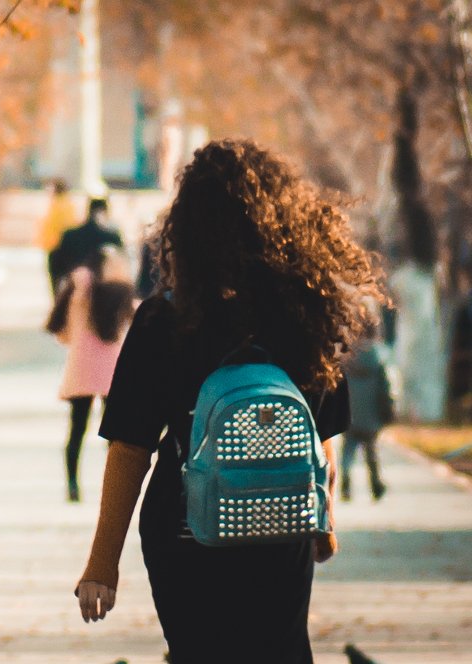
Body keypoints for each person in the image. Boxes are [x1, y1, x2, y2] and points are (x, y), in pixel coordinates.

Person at [75, 140, 385, 663]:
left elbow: (130, 449)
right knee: (281, 651)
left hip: (184, 529)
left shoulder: (163, 319)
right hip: (279, 525)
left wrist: (102, 565)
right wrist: (322, 522)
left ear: (187, 225)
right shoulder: (306, 314)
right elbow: (320, 436)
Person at [46, 247, 136, 502]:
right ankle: (115, 486)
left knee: (76, 429)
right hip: (113, 371)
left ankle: (73, 485)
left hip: (81, 367)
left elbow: (61, 331)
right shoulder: (122, 294)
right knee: (115, 434)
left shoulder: (77, 291)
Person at [341, 327, 392, 501]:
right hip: (371, 414)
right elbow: (385, 388)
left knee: (348, 450)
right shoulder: (378, 358)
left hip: (350, 413)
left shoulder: (347, 357)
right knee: (371, 452)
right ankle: (376, 485)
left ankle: (345, 481)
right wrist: (387, 409)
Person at [49, 197, 124, 292]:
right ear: (104, 212)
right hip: (102, 291)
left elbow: (55, 261)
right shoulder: (111, 238)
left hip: (74, 288)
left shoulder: (69, 235)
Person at [36, 179, 77, 293]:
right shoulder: (68, 205)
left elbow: (53, 227)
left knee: (56, 279)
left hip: (56, 247)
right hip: (65, 248)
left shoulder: (58, 206)